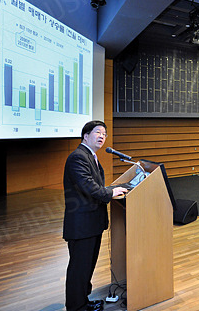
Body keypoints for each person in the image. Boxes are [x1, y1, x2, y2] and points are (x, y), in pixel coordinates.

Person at [63, 121, 127, 311]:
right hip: (82, 225)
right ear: (85, 136)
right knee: (79, 268)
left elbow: (94, 185)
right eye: (98, 132)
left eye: (104, 134)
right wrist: (110, 193)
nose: (102, 136)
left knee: (86, 267)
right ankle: (77, 306)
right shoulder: (78, 157)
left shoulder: (90, 156)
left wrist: (111, 189)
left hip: (91, 223)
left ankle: (83, 301)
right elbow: (88, 186)